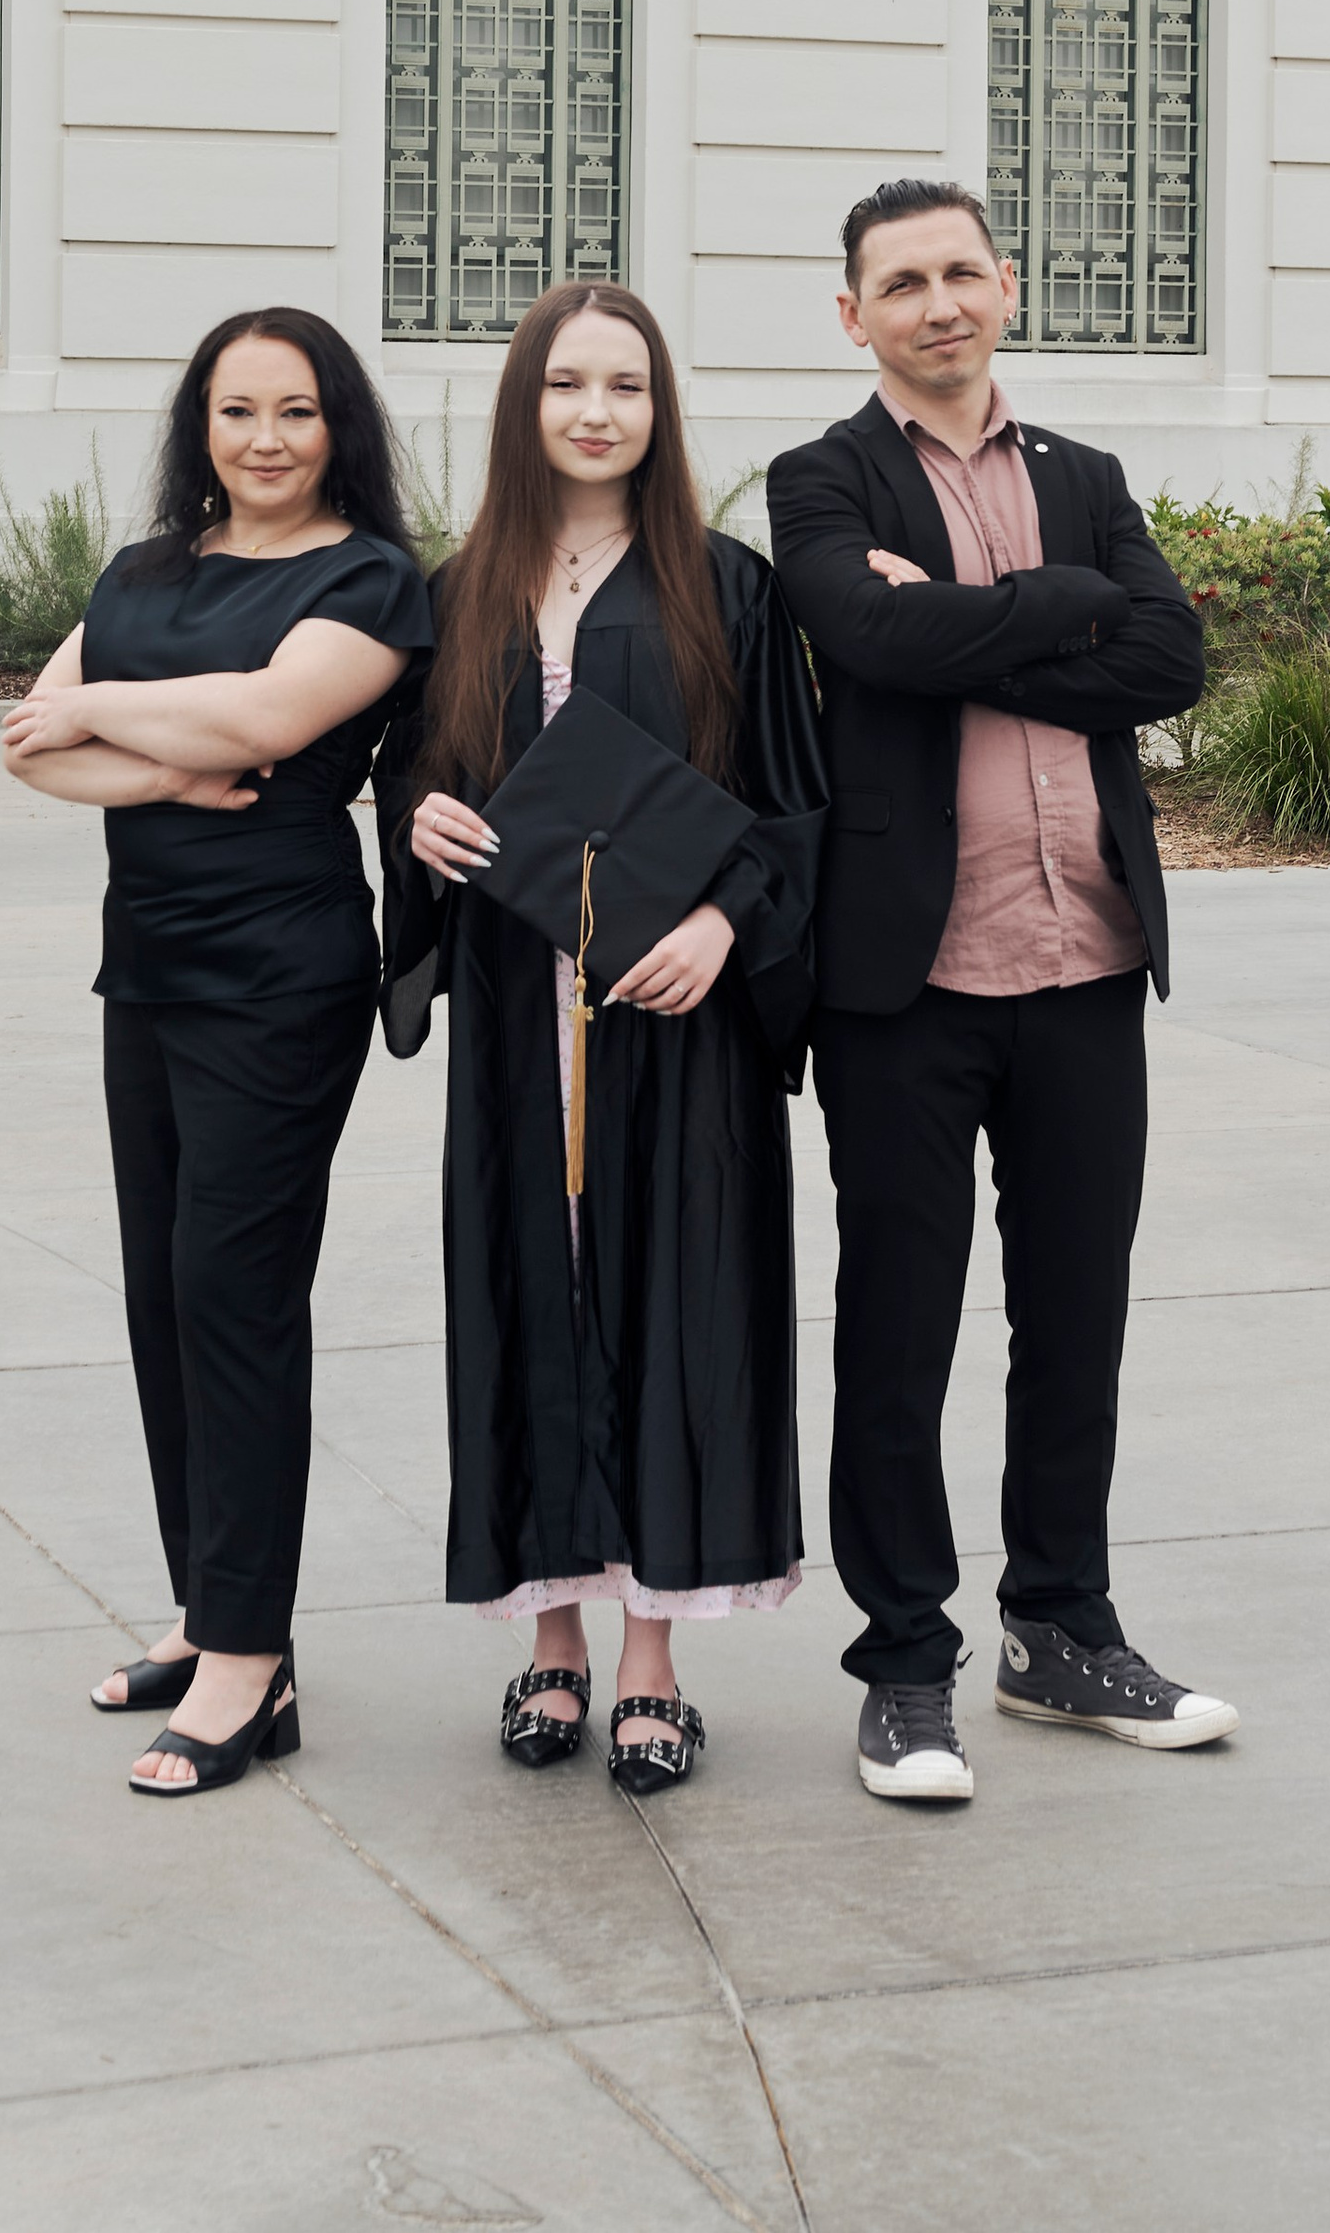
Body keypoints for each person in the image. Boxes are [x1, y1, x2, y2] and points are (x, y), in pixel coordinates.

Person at [765, 179, 1235, 1803]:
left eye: (962, 270)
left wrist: (965, 619)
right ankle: (906, 1667)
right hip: (906, 977)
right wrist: (1065, 608)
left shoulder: (1086, 475)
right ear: (855, 316)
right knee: (898, 1332)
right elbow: (864, 644)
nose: (938, 301)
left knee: (1074, 1321)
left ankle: (1062, 1628)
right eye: (902, 282)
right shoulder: (823, 478)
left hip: (1089, 958)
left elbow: (1169, 662)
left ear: (1008, 286)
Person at [380, 282, 825, 1797]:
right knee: (525, 1291)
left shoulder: (727, 586)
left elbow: (788, 802)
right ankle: (551, 1638)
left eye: (624, 385)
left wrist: (723, 925)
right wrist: (424, 825)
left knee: (673, 1297)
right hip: (516, 1007)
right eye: (566, 382)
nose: (594, 410)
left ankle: (653, 1658)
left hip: (672, 1017)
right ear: (526, 404)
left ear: (660, 408)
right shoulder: (461, 592)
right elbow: (413, 785)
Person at [3, 307, 430, 1797]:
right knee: (159, 1297)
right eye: (236, 412)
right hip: (153, 969)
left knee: (233, 1295)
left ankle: (251, 1659)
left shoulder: (370, 578)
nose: (264, 439)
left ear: (338, 430)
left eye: (296, 412)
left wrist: (116, 714)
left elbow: (264, 714)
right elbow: (30, 751)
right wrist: (177, 781)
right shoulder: (143, 572)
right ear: (201, 430)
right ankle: (213, 1615)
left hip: (282, 977)